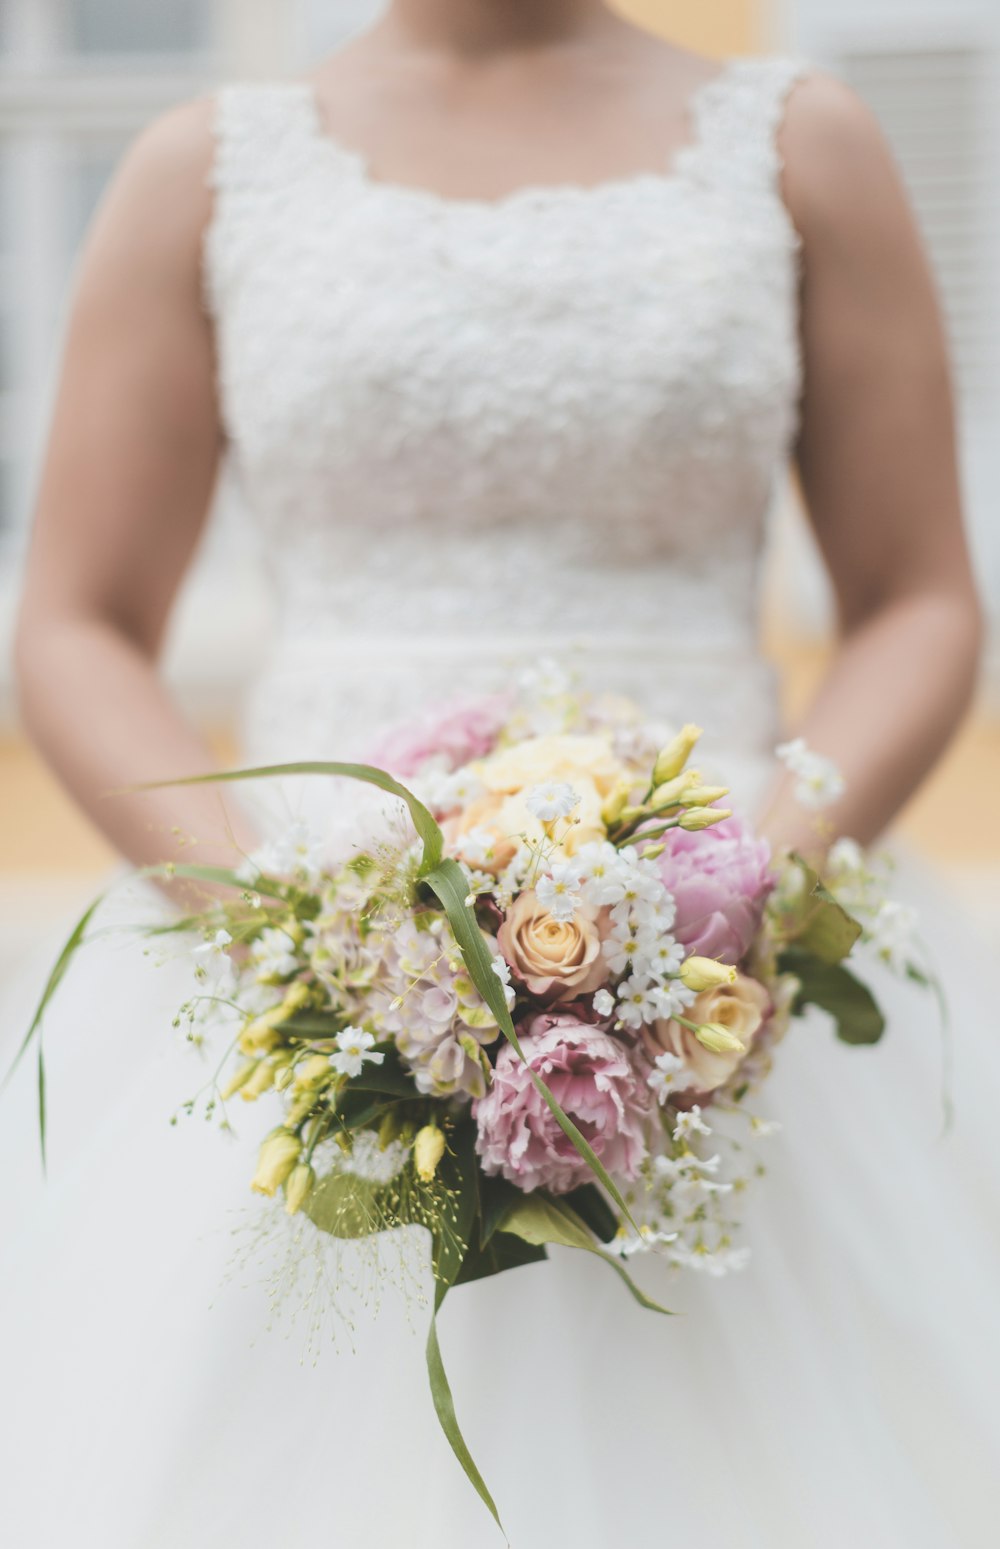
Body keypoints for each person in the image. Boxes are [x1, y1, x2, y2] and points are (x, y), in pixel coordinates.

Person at [2, 2, 996, 1545]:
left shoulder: (805, 152)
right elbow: (74, 623)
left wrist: (749, 891)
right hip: (315, 947)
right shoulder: (197, 172)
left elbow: (922, 594)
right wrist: (288, 928)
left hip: (729, 947)